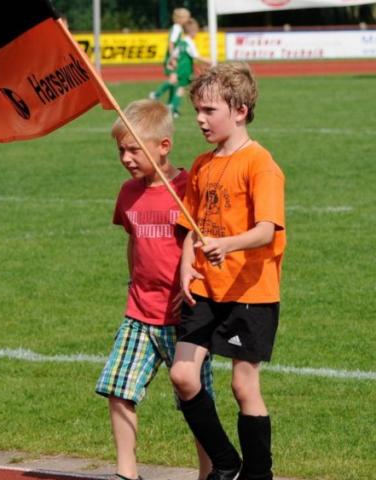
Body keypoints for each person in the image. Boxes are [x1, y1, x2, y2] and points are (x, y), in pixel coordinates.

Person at [169, 62, 286, 480]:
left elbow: (266, 230)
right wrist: (186, 265)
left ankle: (258, 475)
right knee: (183, 375)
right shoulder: (202, 164)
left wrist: (227, 244)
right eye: (197, 110)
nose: (200, 119)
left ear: (239, 111)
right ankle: (225, 461)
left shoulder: (260, 164)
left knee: (243, 386)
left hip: (250, 291)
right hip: (206, 288)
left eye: (209, 110)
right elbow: (191, 224)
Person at [95, 99, 215, 480]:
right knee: (118, 388)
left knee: (196, 401)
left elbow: (202, 245)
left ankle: (209, 472)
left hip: (185, 316)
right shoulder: (128, 193)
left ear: (164, 146)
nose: (126, 158)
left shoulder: (189, 188)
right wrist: (134, 280)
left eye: (134, 150)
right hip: (139, 312)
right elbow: (134, 241)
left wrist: (194, 282)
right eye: (121, 151)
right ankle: (127, 473)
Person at [167, 18, 210, 118]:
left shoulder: (182, 42)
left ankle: (173, 108)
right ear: (192, 31)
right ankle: (172, 108)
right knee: (185, 88)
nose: (197, 33)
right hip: (186, 69)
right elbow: (195, 56)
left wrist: (172, 62)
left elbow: (174, 54)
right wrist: (208, 61)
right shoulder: (190, 42)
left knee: (186, 87)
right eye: (196, 31)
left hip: (181, 69)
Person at [149, 8, 191, 105]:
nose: (188, 20)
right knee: (173, 80)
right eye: (187, 17)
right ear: (180, 18)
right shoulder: (177, 28)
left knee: (175, 82)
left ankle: (171, 105)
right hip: (172, 58)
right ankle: (156, 94)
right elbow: (171, 43)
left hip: (175, 58)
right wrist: (172, 58)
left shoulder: (178, 28)